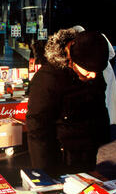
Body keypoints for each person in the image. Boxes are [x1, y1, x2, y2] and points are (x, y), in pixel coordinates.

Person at [25, 28, 111, 176]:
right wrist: (44, 172)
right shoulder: (48, 78)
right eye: (88, 70)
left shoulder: (92, 69)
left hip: (86, 153)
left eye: (98, 71)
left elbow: (99, 107)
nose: (94, 75)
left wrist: (100, 134)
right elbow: (37, 127)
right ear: (73, 60)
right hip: (60, 158)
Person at [72, 25, 116, 125]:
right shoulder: (99, 37)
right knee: (106, 97)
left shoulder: (92, 40)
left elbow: (111, 53)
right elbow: (112, 53)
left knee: (105, 97)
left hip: (103, 71)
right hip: (104, 70)